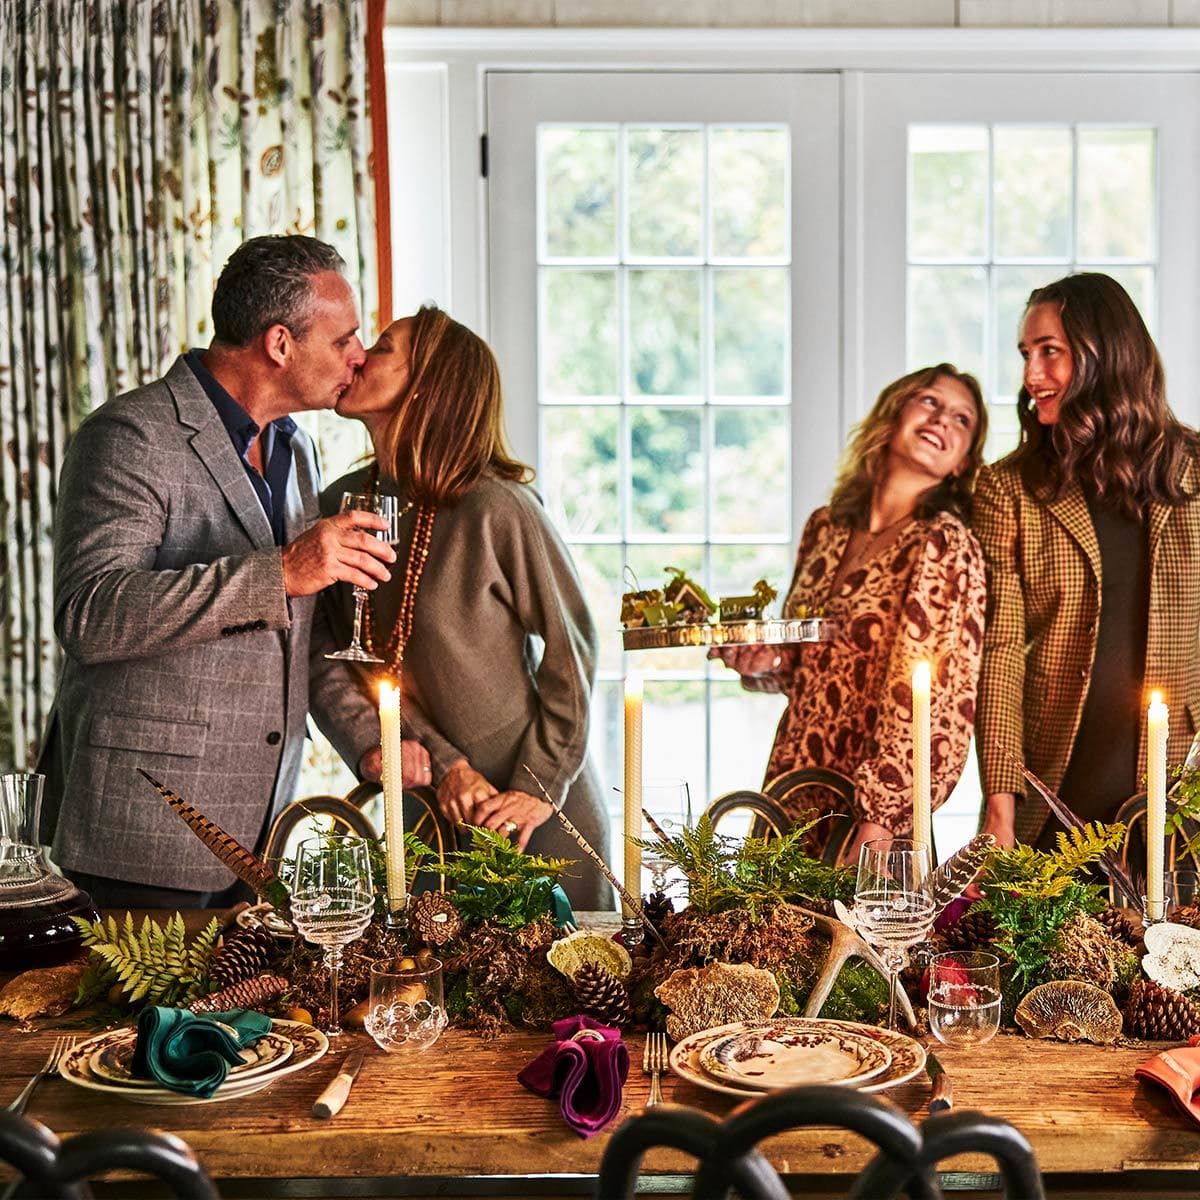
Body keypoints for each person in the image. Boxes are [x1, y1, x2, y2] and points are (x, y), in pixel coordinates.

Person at [38, 235, 431, 909]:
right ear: (280, 344)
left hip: (257, 840)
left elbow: (298, 636)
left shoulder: (296, 449)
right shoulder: (130, 435)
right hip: (140, 833)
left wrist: (370, 743)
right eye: (343, 340)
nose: (358, 357)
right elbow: (92, 616)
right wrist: (277, 571)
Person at [324, 304, 613, 910]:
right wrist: (449, 765)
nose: (357, 356)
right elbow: (361, 666)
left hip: (532, 810)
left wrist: (539, 784)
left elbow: (576, 649)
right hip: (427, 810)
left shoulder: (496, 507)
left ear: (426, 384)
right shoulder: (340, 509)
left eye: (381, 346)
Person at [712, 365, 988, 863]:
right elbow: (806, 664)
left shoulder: (943, 544)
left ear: (962, 465)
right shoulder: (826, 528)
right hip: (791, 784)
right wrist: (765, 663)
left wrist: (883, 818)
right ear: (894, 413)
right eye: (929, 402)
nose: (943, 419)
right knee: (766, 937)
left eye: (962, 419)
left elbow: (938, 701)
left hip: (868, 808)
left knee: (854, 942)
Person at [976, 272, 1200, 849]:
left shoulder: (1196, 470)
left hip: (1181, 791)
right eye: (1026, 354)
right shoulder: (1009, 488)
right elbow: (1000, 651)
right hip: (1054, 785)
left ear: (1109, 354)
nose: (1031, 376)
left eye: (1050, 351)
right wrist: (1000, 805)